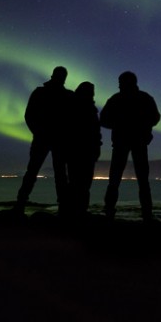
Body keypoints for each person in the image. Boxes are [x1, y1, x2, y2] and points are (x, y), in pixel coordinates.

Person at [100, 71, 160, 222]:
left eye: (120, 82)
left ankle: (109, 210)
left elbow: (104, 119)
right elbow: (155, 117)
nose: (119, 85)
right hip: (136, 141)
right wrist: (143, 127)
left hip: (123, 141)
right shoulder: (144, 98)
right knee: (141, 179)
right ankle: (146, 212)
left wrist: (120, 125)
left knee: (116, 177)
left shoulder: (117, 99)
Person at [13, 66, 71, 214]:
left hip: (49, 138)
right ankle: (62, 206)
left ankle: (21, 203)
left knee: (39, 171)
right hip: (49, 138)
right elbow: (29, 115)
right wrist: (39, 132)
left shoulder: (44, 93)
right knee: (47, 172)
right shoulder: (62, 95)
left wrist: (38, 132)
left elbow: (29, 115)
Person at [59, 81, 102, 220]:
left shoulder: (74, 106)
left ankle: (75, 211)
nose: (93, 94)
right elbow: (94, 131)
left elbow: (95, 131)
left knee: (78, 182)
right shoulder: (83, 108)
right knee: (81, 183)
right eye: (92, 91)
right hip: (81, 151)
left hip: (80, 151)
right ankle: (77, 211)